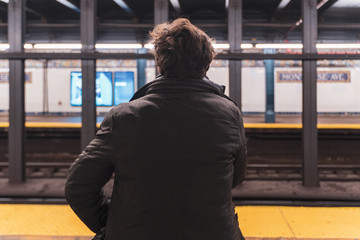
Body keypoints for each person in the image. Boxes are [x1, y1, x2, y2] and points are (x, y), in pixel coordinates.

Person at [65, 18, 247, 240]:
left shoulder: (123, 117)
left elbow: (78, 186)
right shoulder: (230, 113)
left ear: (160, 63)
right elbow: (235, 178)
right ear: (207, 64)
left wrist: (113, 222)